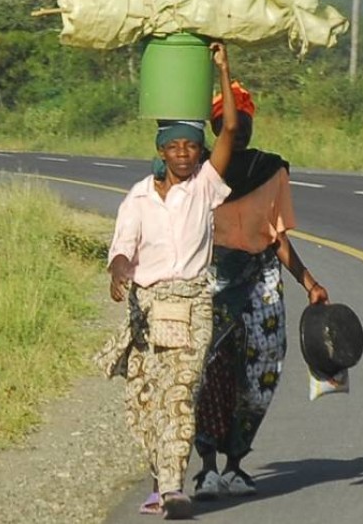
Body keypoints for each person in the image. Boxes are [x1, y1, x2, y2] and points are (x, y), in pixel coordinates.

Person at [93, 42, 242, 520]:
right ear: (160, 150)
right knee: (146, 401)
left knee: (181, 389)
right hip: (150, 309)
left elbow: (232, 129)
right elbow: (122, 247)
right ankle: (161, 478)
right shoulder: (138, 197)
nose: (184, 153)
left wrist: (222, 69)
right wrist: (119, 270)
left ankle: (175, 488)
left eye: (191, 145)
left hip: (194, 304)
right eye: (175, 146)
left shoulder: (204, 186)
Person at [190, 80, 329, 500]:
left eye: (244, 120)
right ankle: (208, 467)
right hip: (212, 278)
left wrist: (309, 282)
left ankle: (235, 464)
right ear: (217, 127)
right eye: (229, 122)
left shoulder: (271, 170)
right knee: (210, 370)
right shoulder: (199, 174)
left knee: (261, 370)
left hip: (261, 279)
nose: (239, 128)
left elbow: (278, 237)